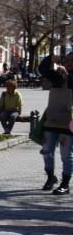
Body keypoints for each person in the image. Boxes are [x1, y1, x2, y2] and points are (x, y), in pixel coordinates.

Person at [38, 53, 73, 194]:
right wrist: (50, 58)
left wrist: (67, 73)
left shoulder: (69, 76)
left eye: (72, 60)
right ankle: (51, 177)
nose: (70, 62)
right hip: (51, 119)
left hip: (67, 121)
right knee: (46, 151)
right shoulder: (58, 76)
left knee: (65, 155)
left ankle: (65, 184)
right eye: (68, 59)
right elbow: (42, 69)